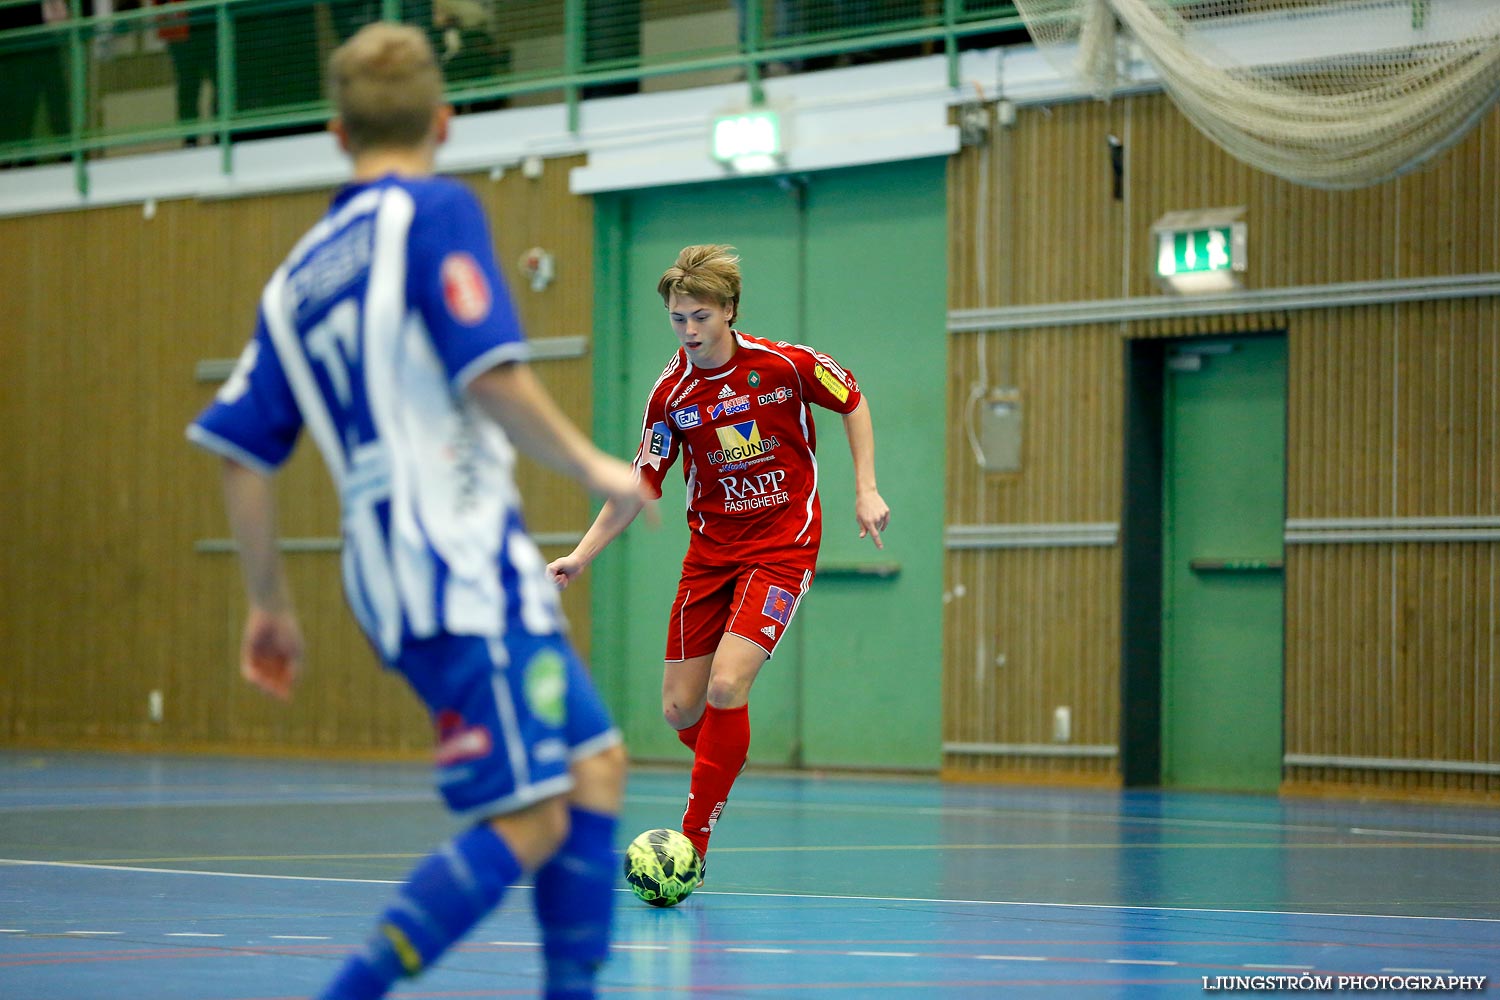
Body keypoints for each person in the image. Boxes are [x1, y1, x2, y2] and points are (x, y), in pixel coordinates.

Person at [186, 22, 650, 1000]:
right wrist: (598, 466)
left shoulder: (294, 279)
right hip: (453, 554)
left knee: (596, 766)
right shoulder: (432, 210)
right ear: (444, 120)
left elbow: (239, 455)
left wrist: (269, 604)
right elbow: (493, 374)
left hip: (394, 563)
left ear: (335, 134)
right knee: (532, 817)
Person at [547, 244, 890, 874]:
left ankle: (691, 845)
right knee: (682, 708)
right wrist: (580, 555)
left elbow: (854, 401)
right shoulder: (672, 394)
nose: (689, 331)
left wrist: (865, 488)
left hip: (783, 546)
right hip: (710, 555)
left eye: (700, 316)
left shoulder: (786, 366)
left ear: (729, 310)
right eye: (678, 319)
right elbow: (640, 485)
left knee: (728, 684)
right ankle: (726, 751)